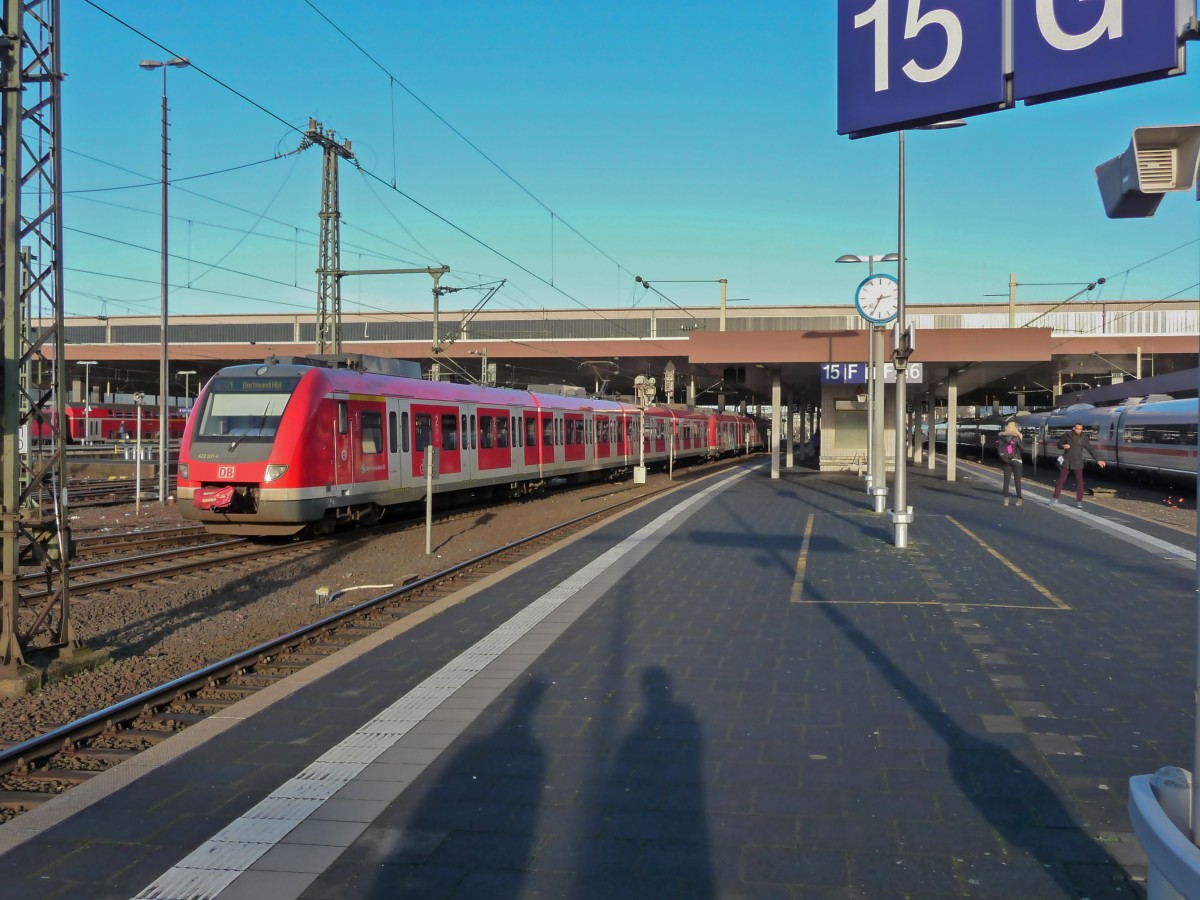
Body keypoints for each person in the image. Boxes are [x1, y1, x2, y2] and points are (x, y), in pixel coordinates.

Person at [1050, 422, 1106, 509]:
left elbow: (1091, 450)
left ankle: (1079, 501)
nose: (1079, 430)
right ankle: (1055, 498)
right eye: (1077, 429)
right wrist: (1063, 446)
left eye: (1080, 429)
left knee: (1079, 482)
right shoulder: (1066, 435)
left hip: (1077, 462)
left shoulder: (1084, 438)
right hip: (1067, 461)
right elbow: (1059, 444)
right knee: (1061, 480)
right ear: (1074, 428)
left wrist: (1098, 460)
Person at [995, 420, 1023, 507]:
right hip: (1016, 460)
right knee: (1017, 481)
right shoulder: (1017, 437)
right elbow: (1023, 448)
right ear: (1015, 428)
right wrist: (1021, 438)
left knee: (1006, 481)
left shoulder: (1002, 437)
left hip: (1006, 460)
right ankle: (1019, 499)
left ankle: (1006, 499)